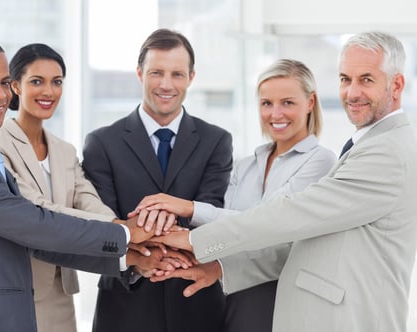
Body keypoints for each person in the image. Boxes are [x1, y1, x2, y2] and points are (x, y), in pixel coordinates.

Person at [149, 31, 417, 332]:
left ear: (396, 85)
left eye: (366, 79)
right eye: (345, 79)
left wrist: (194, 239)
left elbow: (291, 214)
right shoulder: (368, 145)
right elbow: (302, 242)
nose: (352, 92)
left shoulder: (386, 152)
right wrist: (219, 268)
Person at [0, 36, 171, 332]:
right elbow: (36, 225)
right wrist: (125, 232)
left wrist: (128, 259)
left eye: (3, 83)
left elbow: (32, 239)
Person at [0, 43, 188, 332]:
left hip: (61, 293)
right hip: (17, 289)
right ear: (15, 86)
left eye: (56, 82)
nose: (48, 91)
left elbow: (88, 201)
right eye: (37, 81)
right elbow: (36, 209)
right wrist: (125, 231)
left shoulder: (64, 151)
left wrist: (132, 239)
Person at [134, 59, 336, 331]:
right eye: (266, 103)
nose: (276, 114)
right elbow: (228, 230)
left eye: (287, 102)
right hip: (235, 295)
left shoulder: (320, 161)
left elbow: (269, 225)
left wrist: (190, 209)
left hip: (283, 297)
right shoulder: (247, 164)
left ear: (310, 103)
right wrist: (162, 236)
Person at [82, 28, 233, 332]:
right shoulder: (102, 143)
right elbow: (105, 225)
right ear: (139, 73)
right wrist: (139, 259)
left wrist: (148, 240)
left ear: (191, 77)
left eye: (177, 74)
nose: (166, 85)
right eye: (156, 73)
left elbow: (210, 214)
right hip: (125, 309)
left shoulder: (216, 141)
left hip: (197, 306)